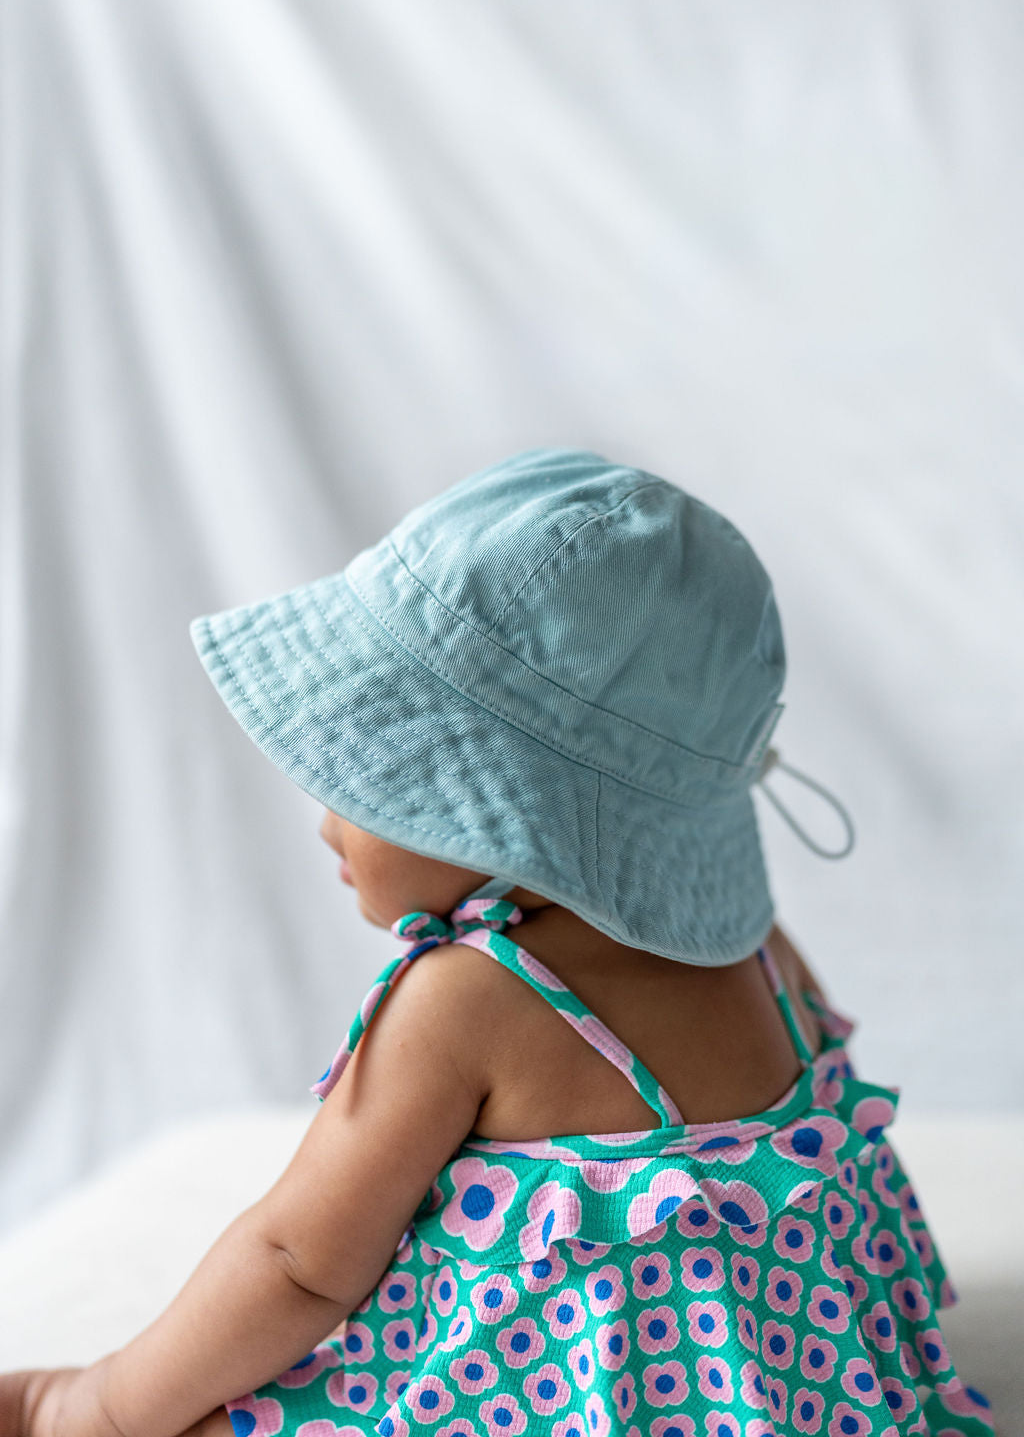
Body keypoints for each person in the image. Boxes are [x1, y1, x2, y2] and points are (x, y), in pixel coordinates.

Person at [2, 448, 994, 1437]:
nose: (326, 826)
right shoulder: (751, 946)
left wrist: (99, 1405)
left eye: (365, 785)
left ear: (508, 814)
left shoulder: (468, 998)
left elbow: (297, 1264)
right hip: (796, 1402)